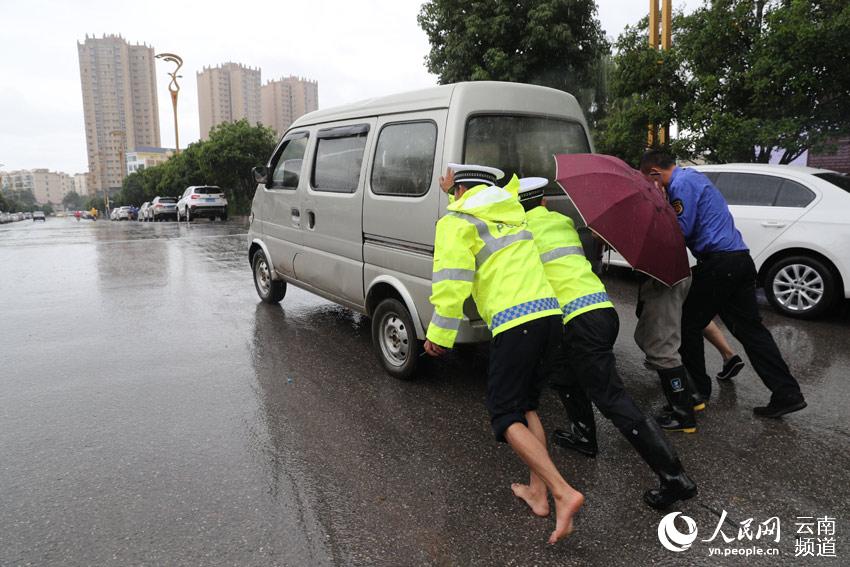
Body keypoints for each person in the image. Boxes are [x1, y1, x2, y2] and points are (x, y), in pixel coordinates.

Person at [514, 176, 697, 509]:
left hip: (577, 319)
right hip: (600, 310)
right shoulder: (562, 223)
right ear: (542, 202)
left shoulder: (519, 233)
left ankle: (674, 478)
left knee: (612, 398)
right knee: (562, 373)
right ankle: (583, 433)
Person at [424, 164, 583, 544]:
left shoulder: (458, 221)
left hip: (516, 323)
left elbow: (451, 281)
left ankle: (563, 492)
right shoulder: (511, 213)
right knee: (527, 406)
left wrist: (439, 335)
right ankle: (538, 494)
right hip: (549, 318)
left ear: (459, 190)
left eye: (450, 188)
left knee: (504, 412)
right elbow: (478, 203)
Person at [640, 150, 806, 418]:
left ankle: (696, 391)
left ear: (655, 173)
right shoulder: (693, 178)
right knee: (752, 332)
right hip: (738, 261)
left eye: (648, 180)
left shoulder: (681, 185)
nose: (649, 185)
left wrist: (660, 208)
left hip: (721, 264)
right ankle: (787, 393)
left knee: (687, 322)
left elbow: (682, 230)